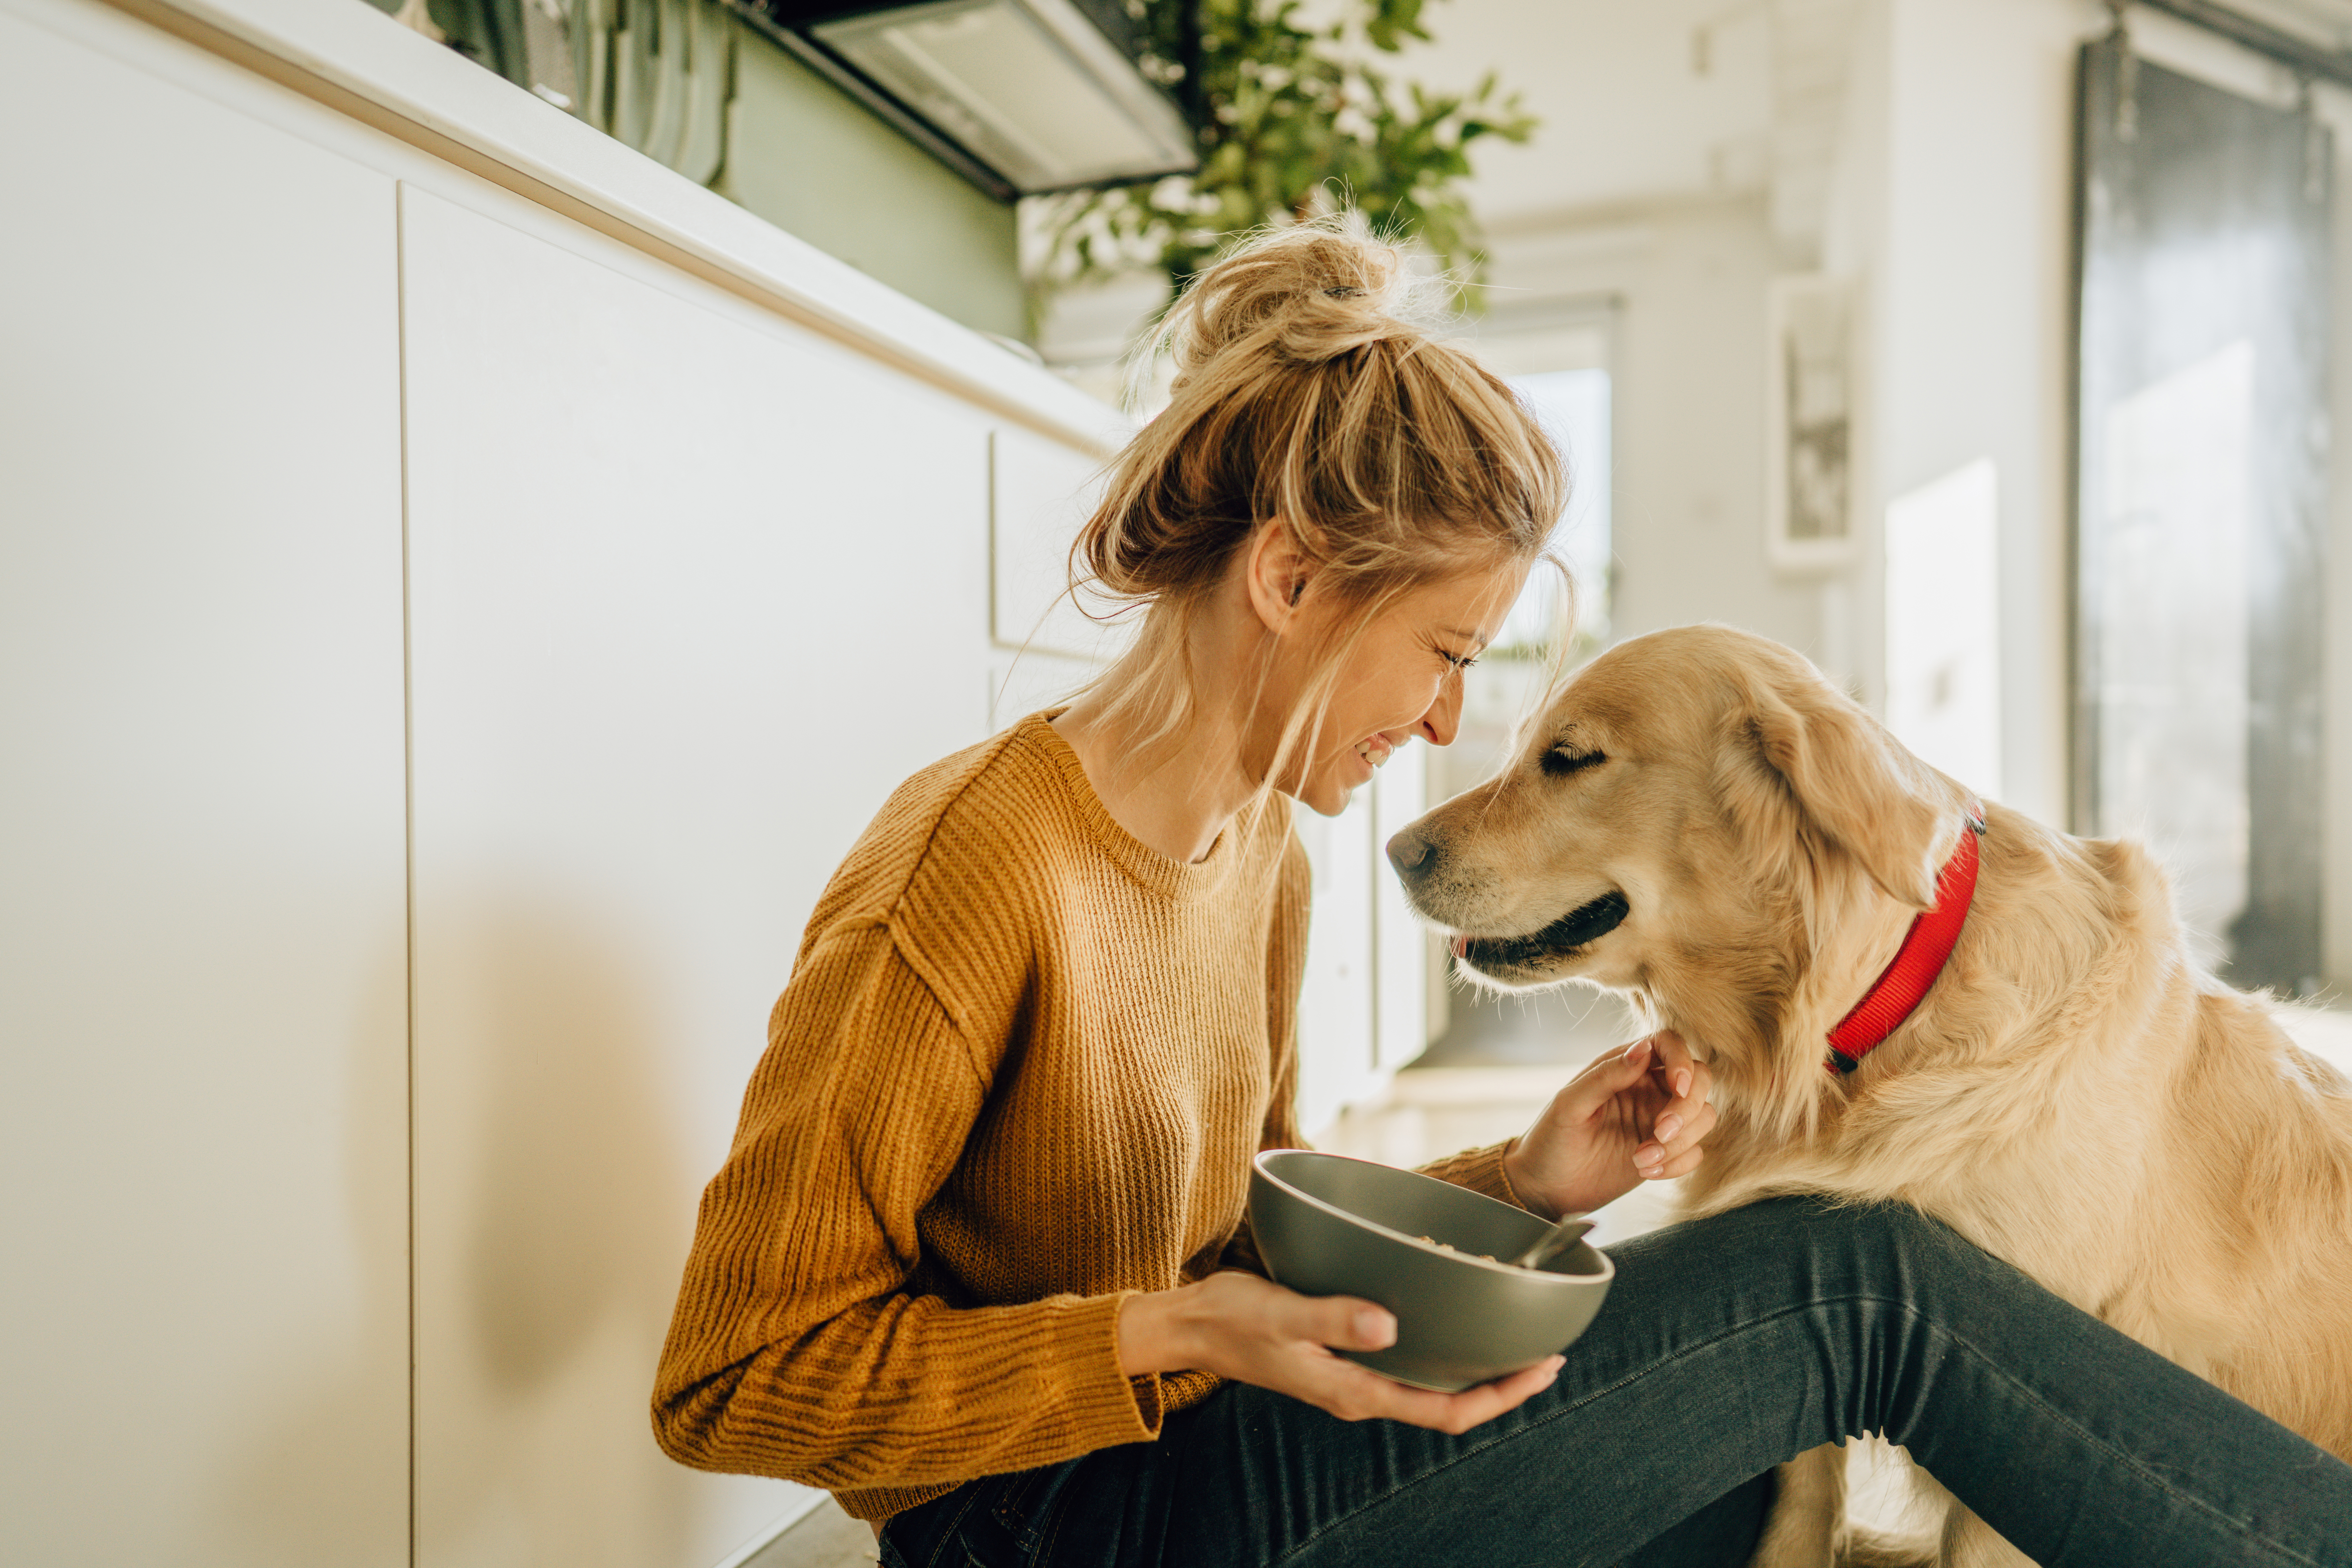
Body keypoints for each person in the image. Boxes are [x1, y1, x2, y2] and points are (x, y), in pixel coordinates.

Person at [650, 218, 2352, 1567]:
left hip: (1206, 1453)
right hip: (1056, 1529)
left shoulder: (1253, 848)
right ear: (1293, 578)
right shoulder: (970, 867)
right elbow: (733, 1387)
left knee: (1726, 1459)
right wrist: (1171, 1332)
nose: (1449, 723)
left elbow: (1252, 1240)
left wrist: (1532, 1182)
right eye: (1448, 652)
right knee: (1853, 1283)